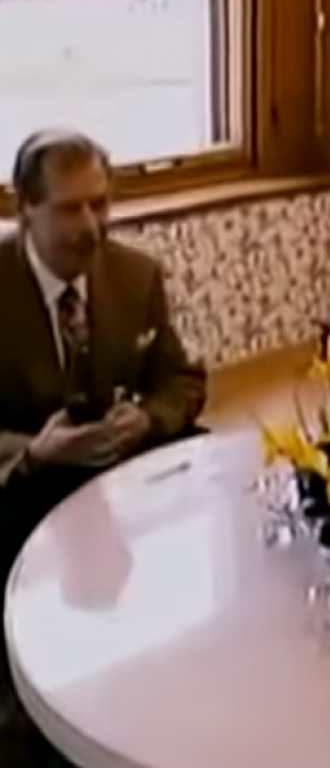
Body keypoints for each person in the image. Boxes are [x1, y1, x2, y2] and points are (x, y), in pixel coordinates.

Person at [0, 129, 206, 761]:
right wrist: (33, 452)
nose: (91, 227)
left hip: (119, 475)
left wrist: (147, 418)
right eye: (70, 208)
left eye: (101, 204)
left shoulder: (136, 274)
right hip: (23, 483)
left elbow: (182, 380)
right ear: (23, 208)